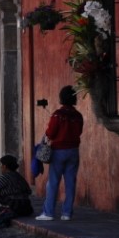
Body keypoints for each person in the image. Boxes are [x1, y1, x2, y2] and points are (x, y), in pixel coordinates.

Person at [36, 85, 84, 221]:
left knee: (53, 182)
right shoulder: (78, 116)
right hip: (74, 151)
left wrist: (46, 136)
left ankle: (48, 213)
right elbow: (79, 132)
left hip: (58, 152)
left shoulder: (58, 115)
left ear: (61, 98)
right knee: (70, 183)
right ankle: (67, 213)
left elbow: (50, 133)